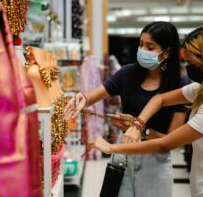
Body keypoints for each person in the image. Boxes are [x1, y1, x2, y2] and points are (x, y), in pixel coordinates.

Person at [91, 25, 203, 197]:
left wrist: (111, 148)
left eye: (191, 63)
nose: (188, 67)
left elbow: (166, 143)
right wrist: (138, 124)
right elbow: (160, 99)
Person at [64, 21, 188, 197]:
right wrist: (82, 98)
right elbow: (92, 97)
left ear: (166, 52)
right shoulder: (127, 74)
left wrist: (139, 130)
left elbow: (171, 140)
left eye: (150, 47)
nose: (142, 50)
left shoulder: (179, 85)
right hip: (123, 156)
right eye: (141, 44)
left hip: (155, 160)